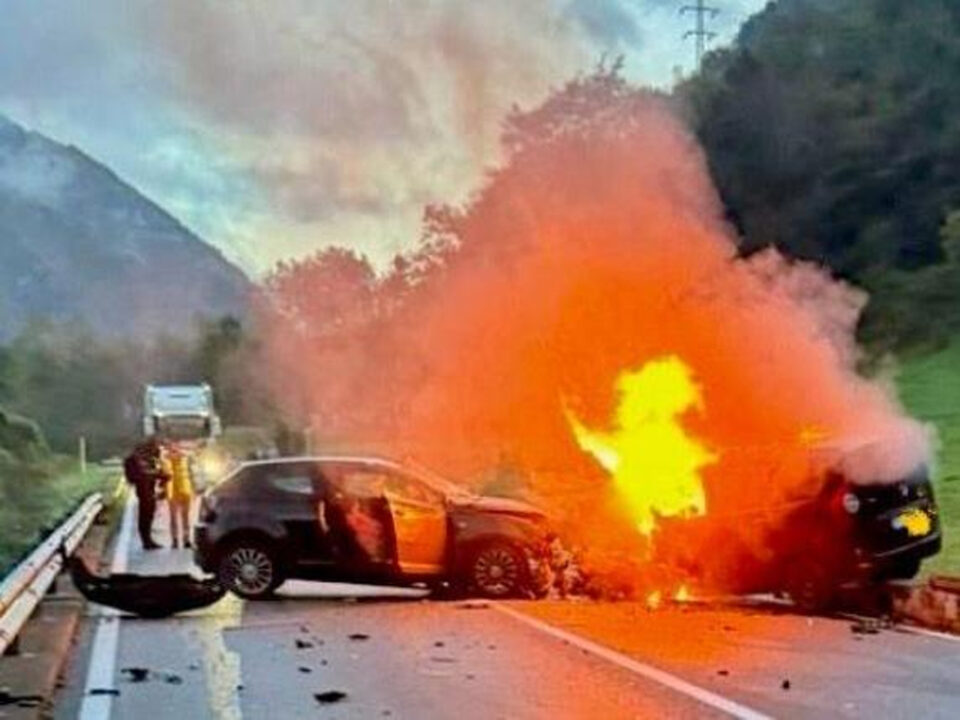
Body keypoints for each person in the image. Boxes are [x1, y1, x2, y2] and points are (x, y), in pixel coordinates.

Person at [125, 438, 168, 550]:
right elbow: (144, 474)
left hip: (149, 488)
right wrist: (159, 475)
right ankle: (146, 540)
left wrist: (162, 476)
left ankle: (147, 539)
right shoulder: (139, 458)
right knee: (145, 514)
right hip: (143, 489)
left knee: (148, 514)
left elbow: (156, 471)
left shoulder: (150, 458)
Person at [162, 442, 195, 549]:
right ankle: (175, 539)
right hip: (172, 491)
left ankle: (186, 539)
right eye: (171, 445)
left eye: (176, 445)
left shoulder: (186, 458)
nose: (174, 447)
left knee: (185, 517)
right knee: (173, 517)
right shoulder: (164, 458)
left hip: (185, 490)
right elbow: (162, 474)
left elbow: (192, 473)